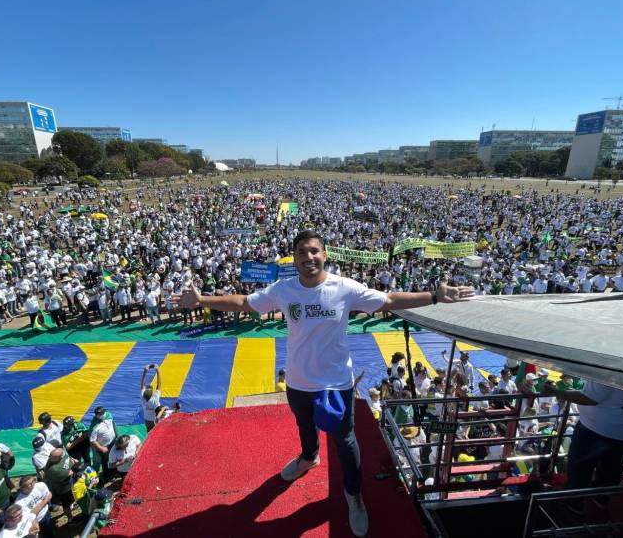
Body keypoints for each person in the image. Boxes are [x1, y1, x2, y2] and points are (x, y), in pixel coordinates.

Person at [176, 230, 473, 537]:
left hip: (336, 385)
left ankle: (353, 495)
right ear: (295, 257)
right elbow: (243, 302)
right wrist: (201, 300)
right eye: (302, 252)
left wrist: (435, 296)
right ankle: (308, 458)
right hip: (298, 382)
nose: (309, 257)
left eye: (314, 251)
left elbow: (389, 300)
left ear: (325, 254)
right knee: (305, 428)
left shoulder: (344, 288)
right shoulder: (283, 289)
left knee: (345, 442)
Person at [543, 379, 623, 504]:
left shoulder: (609, 370)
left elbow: (589, 398)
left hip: (597, 430)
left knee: (580, 469)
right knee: (612, 469)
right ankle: (601, 499)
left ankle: (573, 502)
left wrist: (557, 392)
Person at [44, 448, 78, 523]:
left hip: (67, 484)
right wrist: (72, 463)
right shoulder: (54, 469)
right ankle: (70, 519)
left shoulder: (53, 458)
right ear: (58, 458)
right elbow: (70, 473)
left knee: (71, 499)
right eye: (62, 456)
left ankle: (72, 505)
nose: (64, 455)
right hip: (63, 489)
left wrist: (71, 460)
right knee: (66, 504)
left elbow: (67, 458)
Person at [88, 406, 116, 480]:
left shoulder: (108, 415)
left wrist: (116, 435)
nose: (104, 414)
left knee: (113, 456)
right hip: (103, 447)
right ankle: (105, 476)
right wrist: (101, 448)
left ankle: (113, 471)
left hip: (112, 442)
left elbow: (113, 423)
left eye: (103, 413)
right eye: (101, 414)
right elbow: (92, 440)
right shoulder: (94, 427)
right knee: (104, 461)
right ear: (97, 415)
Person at [140, 364, 162, 432]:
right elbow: (159, 384)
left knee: (149, 434)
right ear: (152, 394)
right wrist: (158, 370)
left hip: (147, 420)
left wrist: (145, 371)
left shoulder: (143, 398)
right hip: (154, 421)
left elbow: (142, 385)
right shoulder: (155, 400)